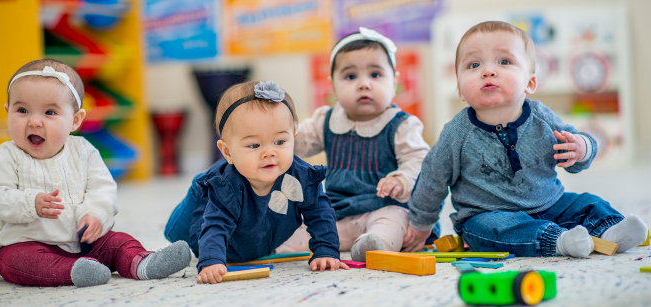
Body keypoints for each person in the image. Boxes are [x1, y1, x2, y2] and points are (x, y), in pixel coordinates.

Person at [403, 21, 648, 258]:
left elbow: (575, 148)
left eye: (504, 61)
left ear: (530, 82)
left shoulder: (541, 117)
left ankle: (611, 229)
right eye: (474, 64)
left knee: (588, 202)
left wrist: (581, 148)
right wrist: (421, 223)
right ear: (460, 90)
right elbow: (432, 177)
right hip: (488, 215)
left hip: (550, 205)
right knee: (488, 229)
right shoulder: (456, 133)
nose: (488, 71)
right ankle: (560, 241)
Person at [0, 59, 191, 287]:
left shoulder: (84, 151)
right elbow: (0, 196)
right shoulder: (7, 154)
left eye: (50, 112)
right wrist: (30, 203)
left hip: (85, 242)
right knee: (15, 262)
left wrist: (95, 215)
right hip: (26, 242)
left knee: (118, 241)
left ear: (75, 120)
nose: (34, 121)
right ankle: (73, 272)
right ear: (8, 112)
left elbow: (103, 189)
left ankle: (142, 263)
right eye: (22, 110)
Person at [166, 81, 348, 285]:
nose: (269, 152)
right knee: (179, 234)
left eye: (280, 142)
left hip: (255, 233)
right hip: (206, 199)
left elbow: (320, 214)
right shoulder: (225, 186)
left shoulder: (304, 177)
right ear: (227, 152)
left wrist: (326, 250)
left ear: (294, 139)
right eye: (254, 145)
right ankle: (200, 185)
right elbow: (216, 225)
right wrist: (211, 261)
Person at [277, 27, 432, 262]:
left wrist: (401, 179)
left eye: (375, 75)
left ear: (394, 82)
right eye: (350, 77)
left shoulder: (401, 125)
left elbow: (419, 161)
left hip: (383, 206)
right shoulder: (327, 120)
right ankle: (274, 245)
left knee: (394, 222)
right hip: (336, 213)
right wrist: (277, 139)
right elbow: (297, 143)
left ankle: (373, 245)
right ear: (333, 85)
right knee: (296, 231)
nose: (364, 84)